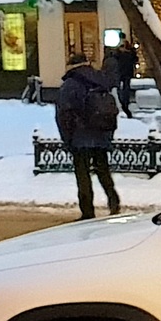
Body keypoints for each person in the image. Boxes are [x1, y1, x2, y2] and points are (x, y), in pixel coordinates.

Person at [55, 54, 120, 219]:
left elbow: (63, 115)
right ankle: (113, 200)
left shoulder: (70, 85)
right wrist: (107, 135)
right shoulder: (100, 79)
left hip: (80, 137)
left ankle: (87, 211)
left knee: (83, 175)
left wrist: (67, 139)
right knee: (103, 170)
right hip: (100, 134)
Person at [105, 39, 139, 118]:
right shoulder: (129, 53)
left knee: (123, 89)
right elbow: (135, 60)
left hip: (122, 73)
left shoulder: (119, 54)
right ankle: (124, 103)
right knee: (124, 88)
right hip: (126, 73)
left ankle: (124, 103)